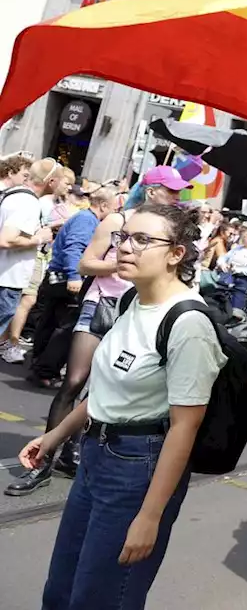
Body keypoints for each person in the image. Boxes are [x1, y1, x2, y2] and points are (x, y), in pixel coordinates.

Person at [16, 203, 225, 609]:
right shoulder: (132, 299)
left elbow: (184, 427)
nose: (125, 248)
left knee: (102, 598)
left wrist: (150, 515)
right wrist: (54, 436)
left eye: (142, 240)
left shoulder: (188, 324)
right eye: (124, 237)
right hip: (96, 456)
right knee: (61, 590)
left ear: (176, 254)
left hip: (138, 467)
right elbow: (108, 393)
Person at [4, 169, 187, 497]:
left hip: (137, 310)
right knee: (74, 381)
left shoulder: (169, 231)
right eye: (171, 191)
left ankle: (74, 454)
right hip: (101, 305)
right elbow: (85, 264)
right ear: (151, 190)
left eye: (178, 192)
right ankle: (42, 462)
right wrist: (126, 264)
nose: (177, 196)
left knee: (106, 385)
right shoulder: (118, 222)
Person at [23, 188, 115, 391]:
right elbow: (73, 248)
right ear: (104, 206)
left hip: (59, 277)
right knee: (63, 329)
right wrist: (74, 276)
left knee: (50, 324)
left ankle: (40, 368)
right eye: (114, 209)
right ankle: (45, 371)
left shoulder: (85, 218)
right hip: (65, 279)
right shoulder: (87, 220)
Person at [0, 157, 56, 362]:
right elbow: (6, 240)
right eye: (62, 181)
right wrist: (38, 238)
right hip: (6, 278)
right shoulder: (27, 201)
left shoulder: (18, 196)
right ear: (51, 182)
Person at [217, 224, 247, 312]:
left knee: (235, 310)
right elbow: (224, 257)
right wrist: (222, 263)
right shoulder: (237, 249)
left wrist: (239, 270)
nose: (242, 239)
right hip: (226, 280)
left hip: (241, 285)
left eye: (244, 237)